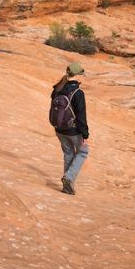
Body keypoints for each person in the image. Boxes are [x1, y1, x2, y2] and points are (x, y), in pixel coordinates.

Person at [50, 61, 89, 195]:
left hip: (59, 129)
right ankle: (69, 177)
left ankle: (68, 185)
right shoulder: (78, 93)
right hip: (73, 130)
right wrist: (85, 135)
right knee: (83, 152)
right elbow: (81, 115)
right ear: (77, 75)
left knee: (68, 154)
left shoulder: (57, 88)